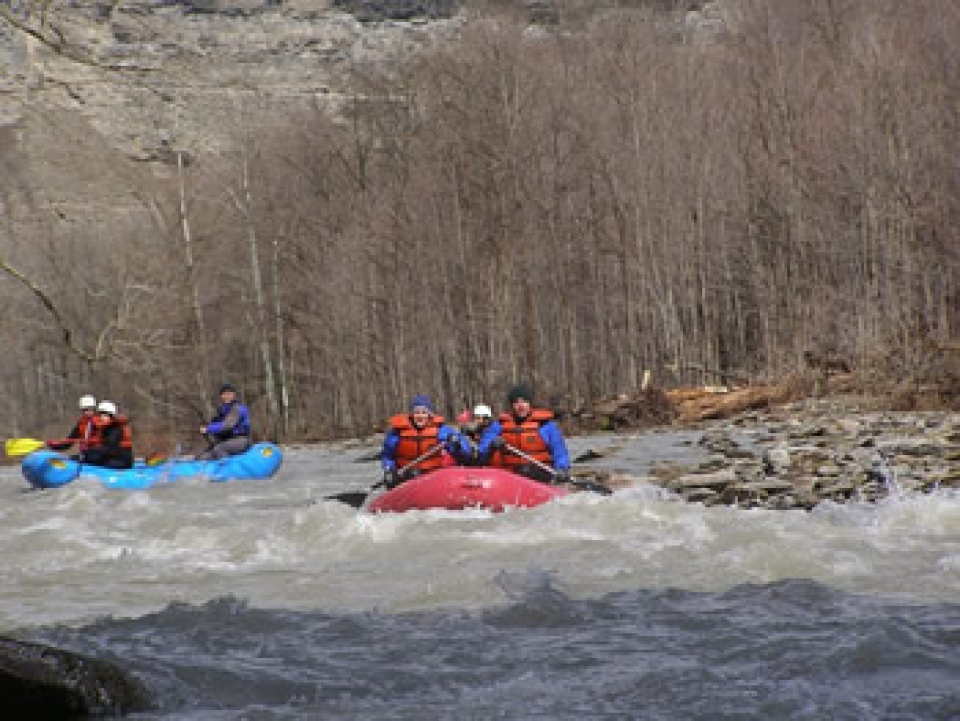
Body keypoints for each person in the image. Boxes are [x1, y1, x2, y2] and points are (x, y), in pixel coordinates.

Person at [477, 384, 571, 484]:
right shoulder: (499, 425)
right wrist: (492, 445)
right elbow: (482, 450)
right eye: (516, 402)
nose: (521, 406)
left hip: (539, 474)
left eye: (524, 402)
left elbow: (559, 451)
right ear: (512, 406)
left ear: (530, 404)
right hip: (510, 476)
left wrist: (562, 468)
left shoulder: (545, 425)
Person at [381, 394, 471, 488]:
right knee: (394, 481)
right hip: (406, 473)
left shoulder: (441, 430)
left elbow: (465, 449)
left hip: (433, 473)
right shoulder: (397, 432)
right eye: (417, 412)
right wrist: (389, 469)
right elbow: (387, 455)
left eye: (424, 412)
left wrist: (458, 444)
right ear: (411, 414)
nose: (420, 416)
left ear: (429, 414)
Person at [198, 383, 252, 460]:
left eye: (229, 394)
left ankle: (229, 469)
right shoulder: (222, 411)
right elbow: (216, 425)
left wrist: (208, 428)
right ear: (221, 396)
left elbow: (228, 425)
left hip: (241, 440)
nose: (227, 396)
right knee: (206, 456)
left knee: (219, 449)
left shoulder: (238, 409)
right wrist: (207, 428)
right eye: (224, 394)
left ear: (234, 395)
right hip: (227, 441)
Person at [82, 400, 134, 469]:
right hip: (113, 457)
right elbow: (103, 447)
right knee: (90, 458)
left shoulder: (116, 429)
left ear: (111, 416)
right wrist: (89, 452)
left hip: (122, 460)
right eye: (101, 414)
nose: (102, 417)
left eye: (105, 414)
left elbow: (109, 448)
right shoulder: (106, 428)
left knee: (94, 460)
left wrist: (89, 453)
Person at [48, 395, 99, 460]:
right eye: (85, 410)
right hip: (85, 455)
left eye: (90, 409)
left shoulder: (101, 423)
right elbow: (69, 441)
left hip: (97, 455)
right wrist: (54, 445)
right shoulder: (81, 423)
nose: (87, 412)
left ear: (94, 409)